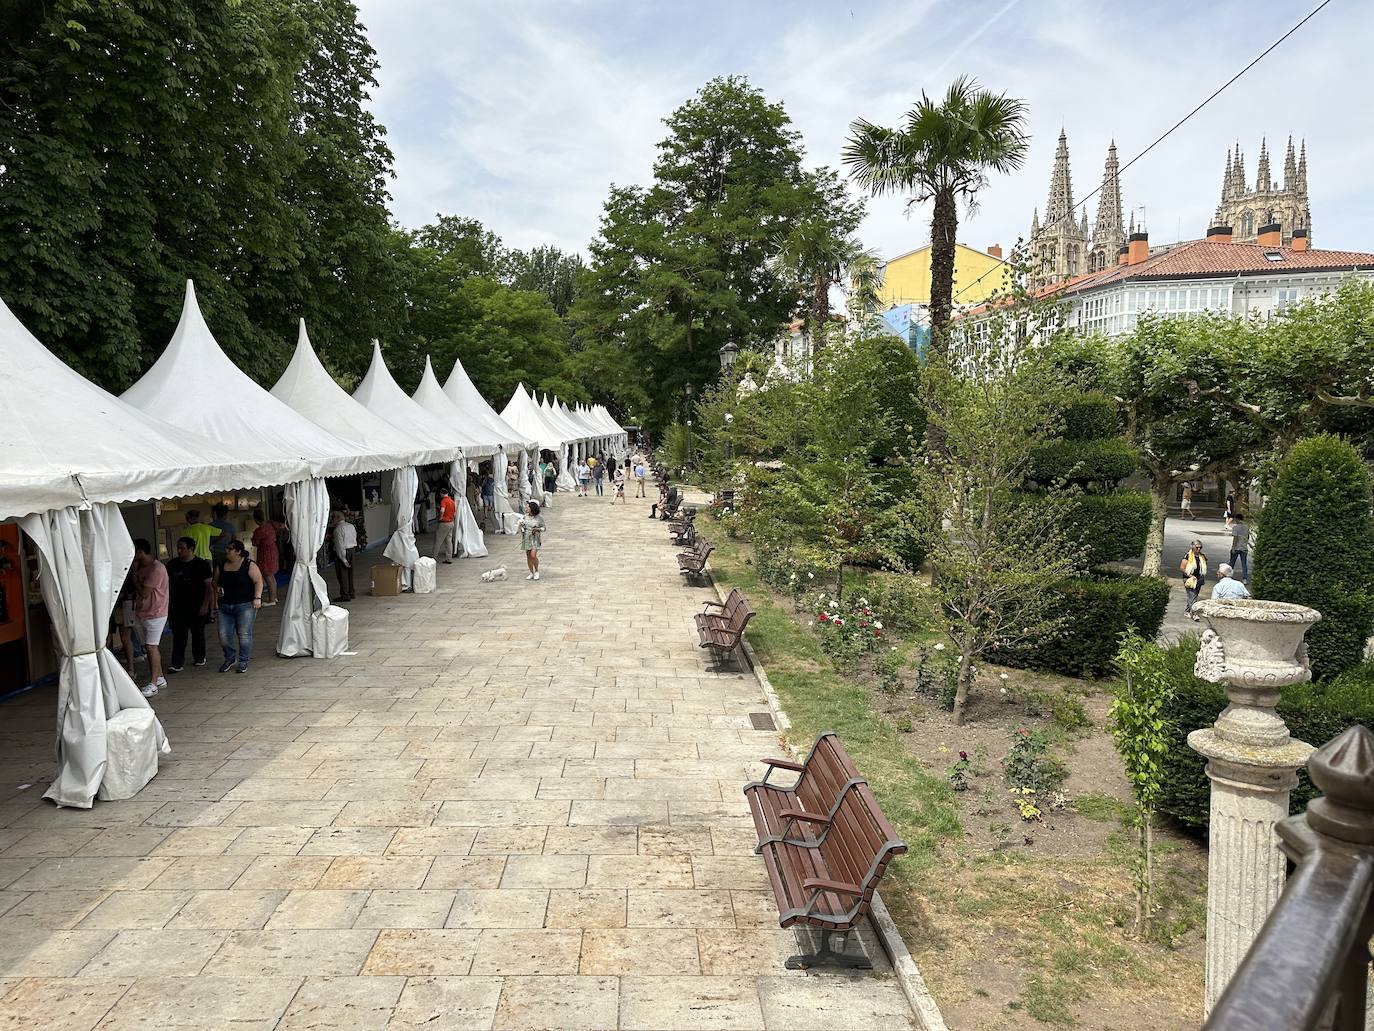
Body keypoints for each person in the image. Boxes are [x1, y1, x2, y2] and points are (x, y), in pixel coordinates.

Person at [165, 536, 214, 673]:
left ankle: (199, 657)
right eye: (178, 548)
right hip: (177, 606)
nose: (179, 551)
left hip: (196, 605)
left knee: (198, 633)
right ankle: (177, 662)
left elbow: (208, 587)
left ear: (191, 549)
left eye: (183, 548)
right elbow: (166, 585)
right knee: (179, 635)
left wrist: (206, 605)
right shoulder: (172, 565)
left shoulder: (201, 565)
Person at [214, 539, 263, 673]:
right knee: (223, 635)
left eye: (230, 549)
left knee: (244, 634)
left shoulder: (248, 564)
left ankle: (243, 660)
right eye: (227, 548)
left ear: (238, 552)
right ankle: (229, 658)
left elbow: (258, 581)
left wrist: (257, 598)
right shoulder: (221, 564)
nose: (227, 551)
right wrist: (217, 589)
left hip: (245, 604)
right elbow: (215, 582)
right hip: (225, 605)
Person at [131, 538, 169, 696]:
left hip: (156, 613)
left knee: (151, 647)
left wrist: (135, 580)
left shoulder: (156, 569)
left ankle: (153, 683)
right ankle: (159, 677)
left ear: (140, 552)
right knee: (150, 648)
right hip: (142, 612)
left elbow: (145, 592)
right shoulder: (142, 567)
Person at [249, 508, 280, 605]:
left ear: (256, 519)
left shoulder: (259, 530)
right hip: (273, 550)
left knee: (268, 575)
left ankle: (271, 600)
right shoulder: (270, 525)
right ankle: (274, 597)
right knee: (271, 575)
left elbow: (254, 543)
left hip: (264, 552)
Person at [331, 511, 358, 602]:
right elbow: (354, 537)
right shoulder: (350, 526)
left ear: (337, 518)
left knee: (343, 574)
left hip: (344, 550)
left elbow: (339, 545)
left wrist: (343, 558)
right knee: (350, 573)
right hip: (352, 549)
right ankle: (351, 592)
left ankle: (345, 594)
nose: (332, 520)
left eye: (333, 518)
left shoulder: (338, 529)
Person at [1180, 538, 1208, 619]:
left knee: (1195, 596)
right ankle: (1194, 613)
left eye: (1200, 547)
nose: (1199, 549)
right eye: (1197, 547)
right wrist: (1190, 576)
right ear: (1192, 547)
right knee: (1192, 596)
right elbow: (1182, 568)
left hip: (1199, 579)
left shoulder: (1202, 556)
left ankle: (1187, 611)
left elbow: (1205, 564)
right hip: (1189, 579)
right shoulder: (1187, 556)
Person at [519, 500, 545, 581]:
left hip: (534, 538)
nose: (526, 508)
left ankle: (536, 571)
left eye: (528, 507)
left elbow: (544, 528)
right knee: (528, 555)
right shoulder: (524, 517)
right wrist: (521, 526)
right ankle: (531, 572)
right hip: (526, 537)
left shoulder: (538, 518)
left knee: (533, 555)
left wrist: (537, 529)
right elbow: (522, 526)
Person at [434, 487, 457, 564]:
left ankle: (434, 557)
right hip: (451, 522)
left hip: (444, 523)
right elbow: (454, 513)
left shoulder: (444, 501)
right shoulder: (452, 501)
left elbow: (442, 510)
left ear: (441, 494)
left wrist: (440, 517)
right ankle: (449, 558)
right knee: (449, 541)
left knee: (438, 541)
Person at [1226, 514, 1251, 584]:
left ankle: (1228, 576)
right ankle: (1244, 579)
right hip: (1244, 548)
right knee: (1244, 564)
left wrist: (1233, 547)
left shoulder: (1235, 527)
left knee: (1232, 563)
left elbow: (1235, 538)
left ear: (1237, 519)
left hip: (1237, 547)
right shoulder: (1246, 527)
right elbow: (1247, 537)